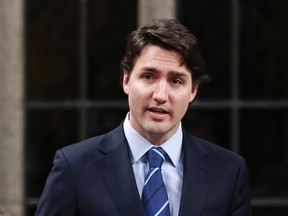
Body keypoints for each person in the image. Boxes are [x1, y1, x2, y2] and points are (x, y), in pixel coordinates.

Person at [35, 18, 251, 216]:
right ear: (126, 80)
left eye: (176, 81)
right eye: (148, 76)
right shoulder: (75, 167)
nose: (160, 95)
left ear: (193, 90)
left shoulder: (228, 172)